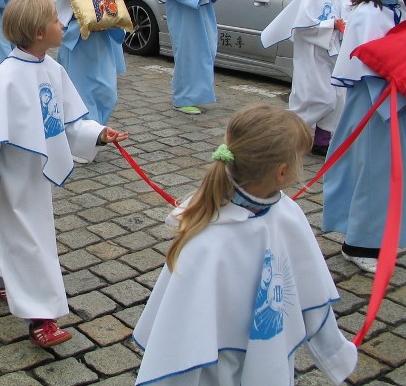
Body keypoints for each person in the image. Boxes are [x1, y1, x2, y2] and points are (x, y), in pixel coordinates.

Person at [132, 104, 357, 386]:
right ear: (282, 172)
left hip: (270, 355)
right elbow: (182, 344)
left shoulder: (286, 214)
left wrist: (336, 355)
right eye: (301, 159)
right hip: (220, 370)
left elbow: (310, 293)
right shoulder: (207, 244)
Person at [0, 0, 129, 348]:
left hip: (35, 177)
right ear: (37, 33)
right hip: (9, 178)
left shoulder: (53, 69)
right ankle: (41, 318)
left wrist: (97, 133)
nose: (63, 24)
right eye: (55, 20)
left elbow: (65, 122)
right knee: (30, 242)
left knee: (12, 232)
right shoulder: (5, 79)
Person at [323, 0, 406, 274]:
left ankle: (384, 234)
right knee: (370, 172)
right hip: (374, 104)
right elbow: (362, 64)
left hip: (405, 105)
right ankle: (357, 242)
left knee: (397, 172)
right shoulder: (365, 14)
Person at [261, 0, 351, 155]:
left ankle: (322, 139)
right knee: (318, 97)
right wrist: (331, 25)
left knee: (337, 98)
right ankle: (290, 134)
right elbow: (301, 28)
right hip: (313, 58)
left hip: (335, 57)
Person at [47, 0, 125, 123]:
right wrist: (81, 25)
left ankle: (96, 129)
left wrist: (109, 22)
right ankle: (87, 139)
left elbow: (114, 11)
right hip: (77, 48)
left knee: (107, 93)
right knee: (80, 94)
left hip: (102, 46)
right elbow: (54, 19)